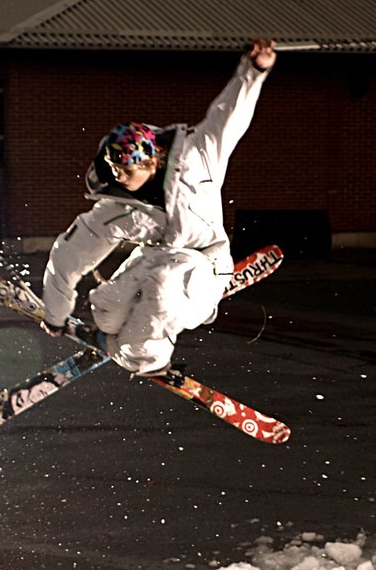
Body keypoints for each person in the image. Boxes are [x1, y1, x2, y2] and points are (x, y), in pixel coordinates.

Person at [40, 38, 277, 375]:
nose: (119, 177)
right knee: (107, 309)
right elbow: (69, 253)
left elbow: (229, 115)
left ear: (152, 162)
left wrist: (253, 70)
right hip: (155, 258)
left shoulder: (198, 155)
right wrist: (56, 315)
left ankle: (145, 358)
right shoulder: (117, 205)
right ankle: (118, 337)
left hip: (205, 262)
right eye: (114, 170)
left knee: (164, 288)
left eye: (127, 170)